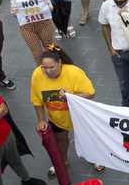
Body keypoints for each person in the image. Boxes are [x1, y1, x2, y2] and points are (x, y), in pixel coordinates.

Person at [31, 46, 102, 174]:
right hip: (56, 117)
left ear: (60, 63)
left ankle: (95, 158)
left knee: (87, 137)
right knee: (60, 139)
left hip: (79, 115)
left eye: (51, 67)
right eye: (44, 67)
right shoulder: (37, 74)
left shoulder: (74, 72)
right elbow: (36, 101)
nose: (47, 71)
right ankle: (62, 161)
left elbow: (91, 93)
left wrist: (70, 96)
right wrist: (41, 120)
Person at [9, 0, 56, 65]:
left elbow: (51, 9)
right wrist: (14, 12)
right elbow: (16, 14)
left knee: (50, 48)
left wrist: (47, 3)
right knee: (37, 53)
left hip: (44, 24)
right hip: (27, 27)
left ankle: (55, 66)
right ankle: (42, 73)